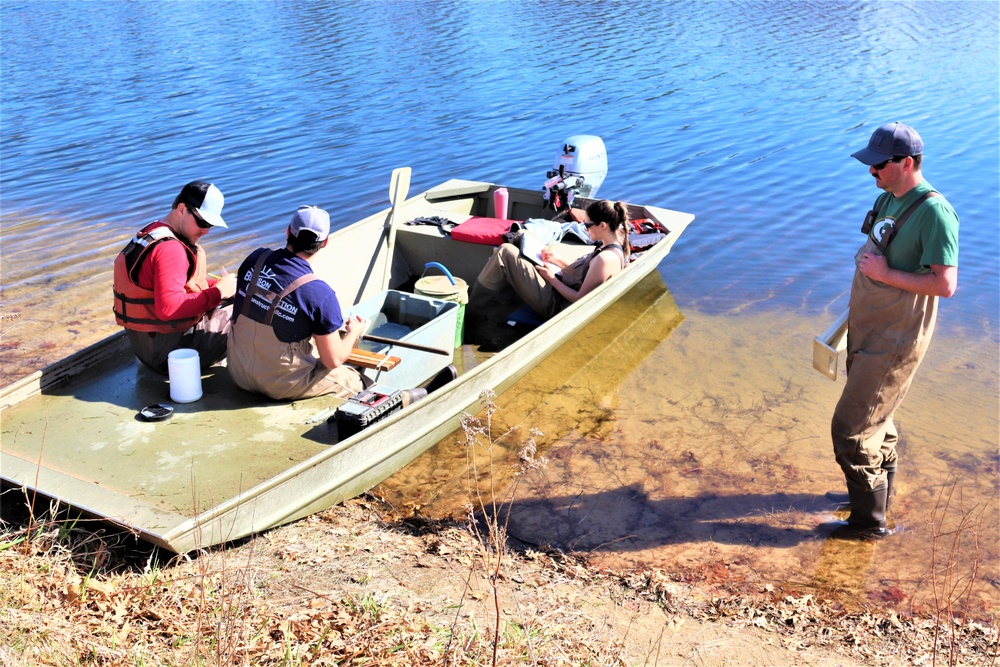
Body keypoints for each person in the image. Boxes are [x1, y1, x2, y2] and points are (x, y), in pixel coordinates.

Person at [826, 122, 959, 540]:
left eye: (879, 165)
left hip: (896, 339)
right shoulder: (888, 197)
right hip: (870, 329)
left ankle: (868, 526)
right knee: (878, 420)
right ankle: (874, 498)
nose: (872, 173)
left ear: (906, 163)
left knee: (850, 429)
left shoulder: (935, 212)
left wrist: (884, 274)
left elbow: (945, 285)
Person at [227, 205, 453, 403]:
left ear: (288, 232)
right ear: (324, 243)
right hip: (279, 385)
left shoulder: (256, 259)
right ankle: (405, 399)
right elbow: (333, 360)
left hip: (238, 371)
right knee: (352, 380)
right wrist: (354, 332)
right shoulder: (319, 292)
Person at [113, 180, 237, 373]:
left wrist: (218, 286)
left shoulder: (153, 231)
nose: (205, 231)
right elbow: (170, 309)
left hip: (147, 348)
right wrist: (219, 293)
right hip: (173, 355)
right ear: (182, 209)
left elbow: (175, 287)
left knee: (231, 296)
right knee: (248, 310)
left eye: (210, 225)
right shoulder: (171, 249)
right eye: (203, 222)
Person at [468, 199, 632, 323]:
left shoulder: (604, 259)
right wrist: (557, 260)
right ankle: (500, 295)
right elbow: (587, 275)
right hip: (562, 288)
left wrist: (551, 278)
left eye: (587, 225)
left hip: (558, 306)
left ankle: (474, 310)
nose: (584, 228)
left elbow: (579, 300)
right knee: (522, 237)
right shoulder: (616, 245)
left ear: (602, 226)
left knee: (506, 252)